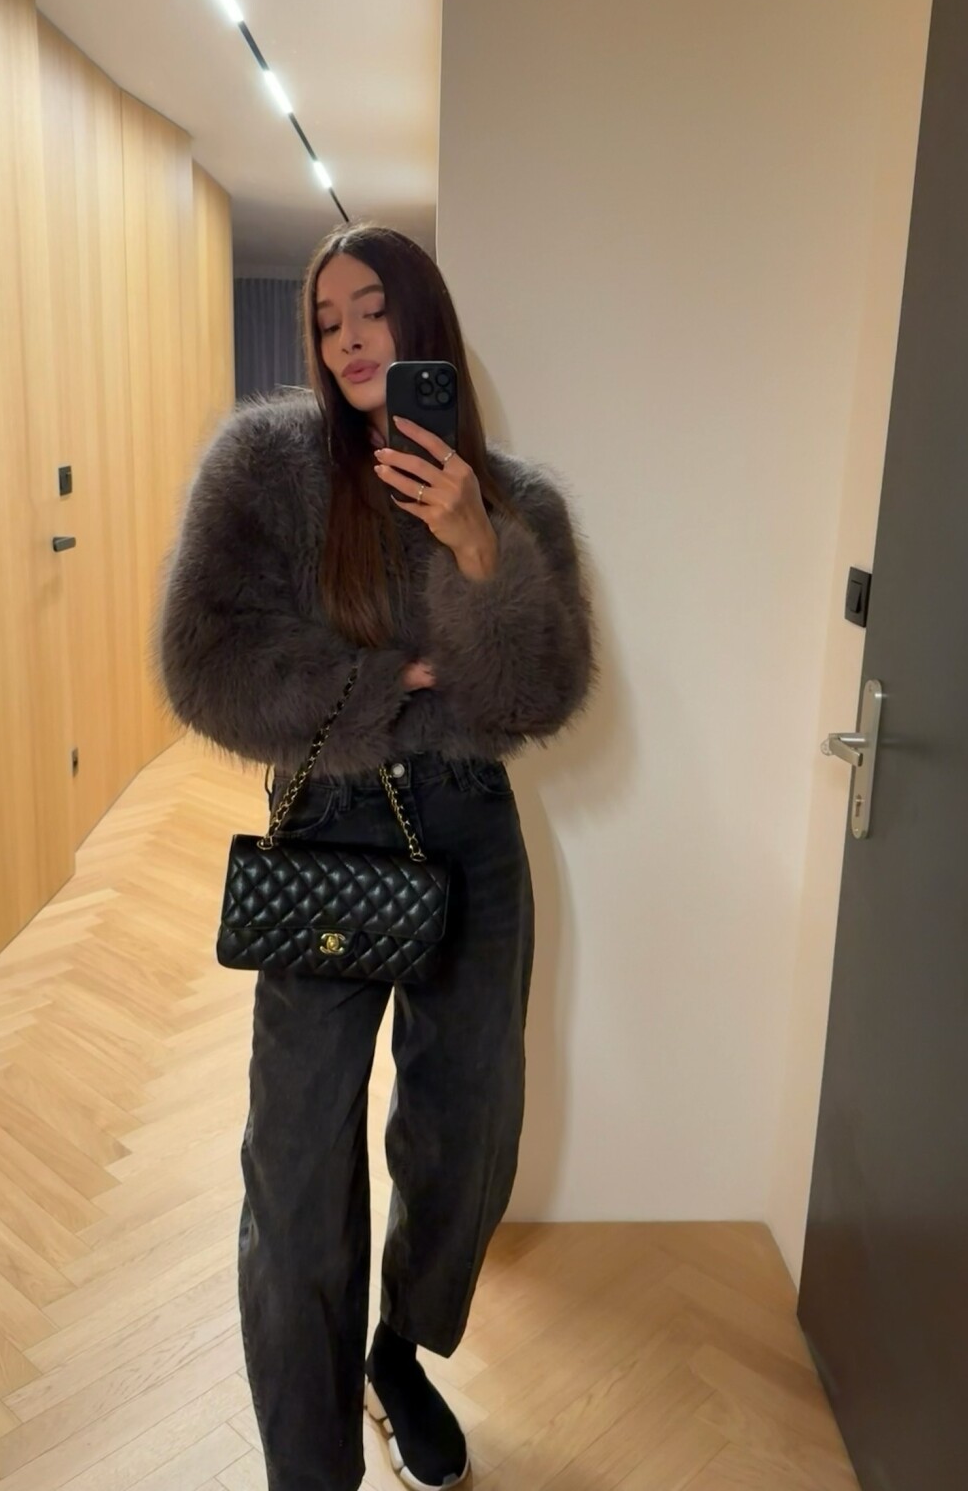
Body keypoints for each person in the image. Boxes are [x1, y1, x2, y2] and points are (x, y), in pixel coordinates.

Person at [154, 222, 596, 1491]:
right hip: (330, 829)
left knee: (468, 1132)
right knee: (296, 1160)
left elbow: (539, 694)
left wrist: (477, 551)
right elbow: (204, 657)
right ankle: (309, 1463)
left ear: (425, 323)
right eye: (327, 318)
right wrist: (375, 685)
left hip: (469, 831)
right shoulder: (264, 465)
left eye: (373, 311)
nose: (349, 339)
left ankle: (398, 1352)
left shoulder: (516, 497)